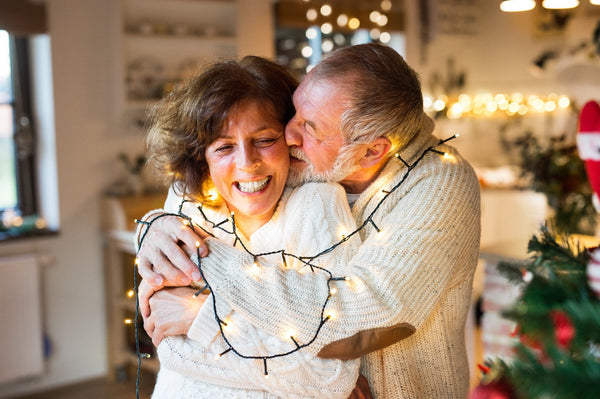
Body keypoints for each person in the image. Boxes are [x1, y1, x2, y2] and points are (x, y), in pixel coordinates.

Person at [138, 43, 481, 398]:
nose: (289, 136)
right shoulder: (310, 161)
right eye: (296, 112)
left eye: (311, 127)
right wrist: (156, 225)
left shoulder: (437, 182)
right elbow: (206, 177)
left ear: (371, 150)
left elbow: (360, 314)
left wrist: (202, 274)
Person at [140, 56, 365, 398]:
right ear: (201, 156)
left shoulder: (317, 207)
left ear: (291, 137)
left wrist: (203, 320)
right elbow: (170, 351)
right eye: (224, 147)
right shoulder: (186, 203)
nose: (248, 163)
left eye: (264, 139)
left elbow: (329, 375)